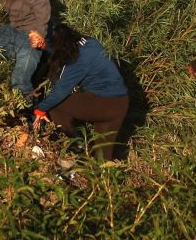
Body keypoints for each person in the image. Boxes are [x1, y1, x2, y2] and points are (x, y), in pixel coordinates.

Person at [32, 23, 129, 161]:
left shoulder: (76, 60)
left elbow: (60, 91)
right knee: (102, 158)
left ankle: (76, 145)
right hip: (121, 104)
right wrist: (46, 46)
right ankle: (102, 178)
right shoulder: (91, 42)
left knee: (56, 105)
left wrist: (40, 109)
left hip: (103, 102)